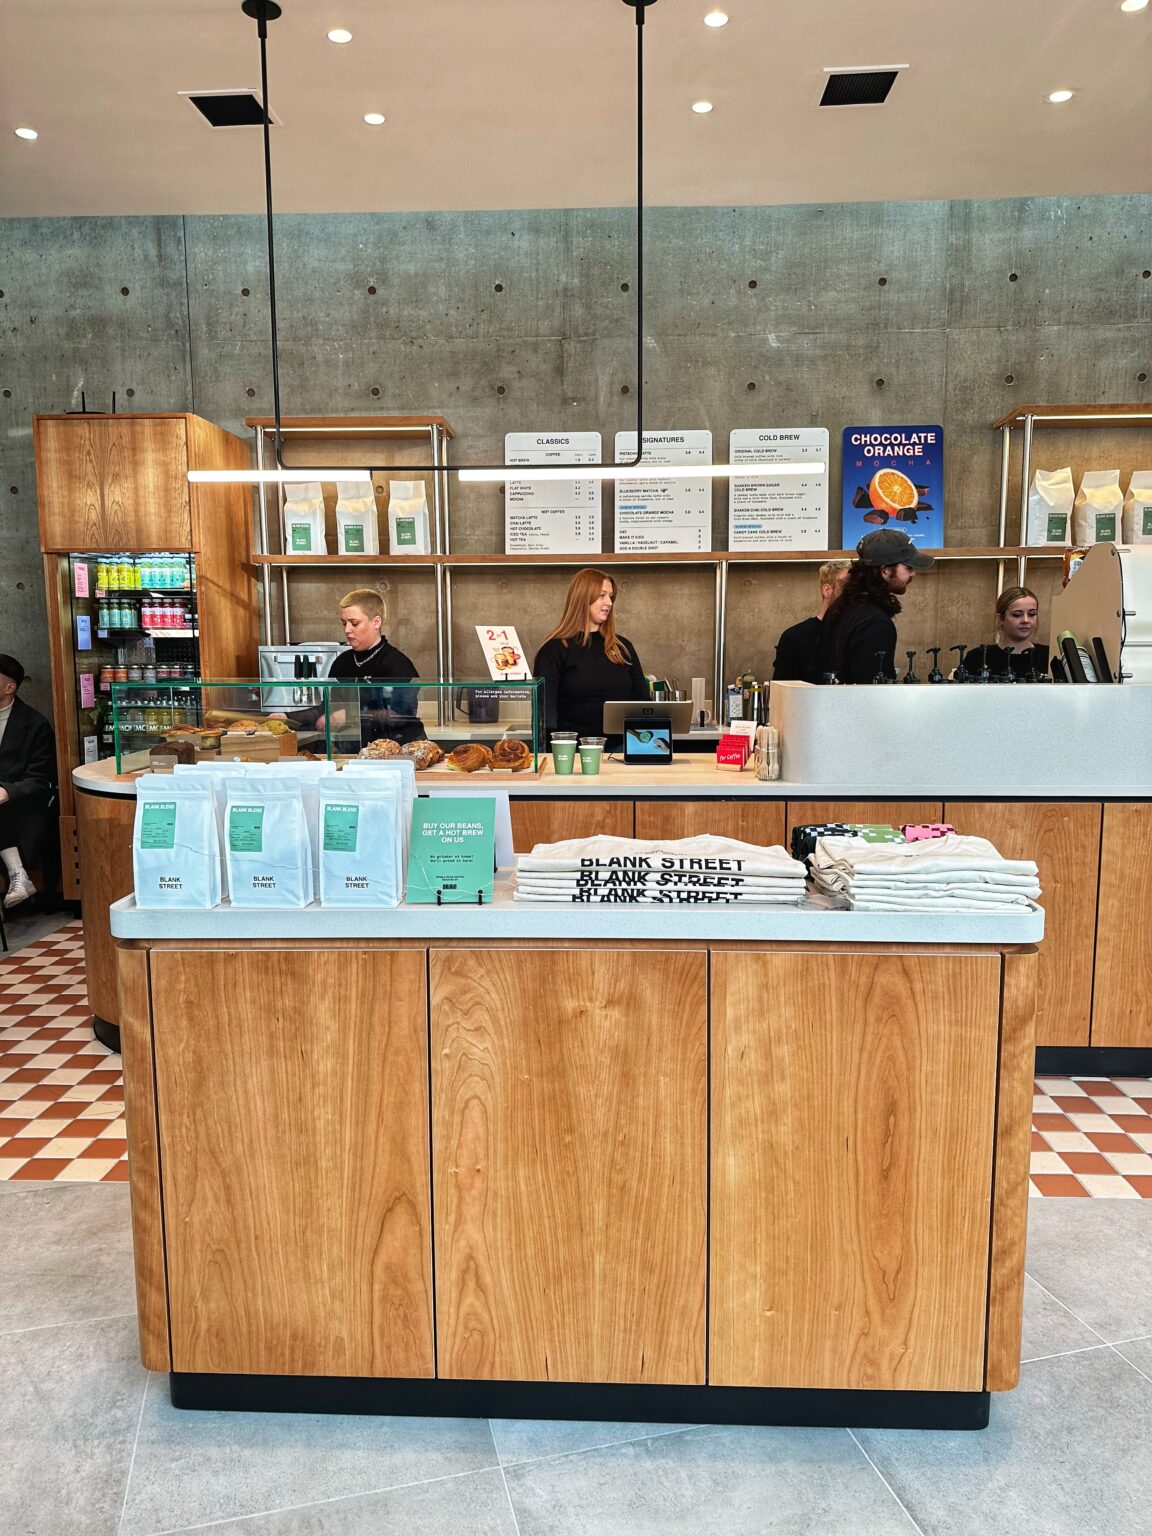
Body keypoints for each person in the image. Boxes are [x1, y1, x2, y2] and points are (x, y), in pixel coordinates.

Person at [288, 589, 425, 747]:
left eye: (354, 623)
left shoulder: (398, 664)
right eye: (344, 623)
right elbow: (328, 708)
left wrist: (350, 716)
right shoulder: (342, 663)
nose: (347, 630)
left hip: (399, 749)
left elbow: (401, 716)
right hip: (357, 749)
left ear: (376, 622)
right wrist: (288, 717)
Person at [532, 568, 648, 740]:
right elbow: (545, 715)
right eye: (602, 595)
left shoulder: (622, 648)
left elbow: (643, 704)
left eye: (611, 596)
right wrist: (555, 751)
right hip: (572, 751)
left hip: (620, 749)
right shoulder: (554, 650)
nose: (609, 602)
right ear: (583, 598)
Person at [813, 529, 934, 684]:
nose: (913, 574)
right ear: (885, 571)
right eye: (908, 568)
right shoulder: (875, 622)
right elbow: (873, 688)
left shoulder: (840, 606)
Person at [0, 654, 57, 909]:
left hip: (21, 803)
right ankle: (18, 874)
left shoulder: (35, 725)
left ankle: (17, 873)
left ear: (10, 687)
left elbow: (39, 780)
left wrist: (7, 792)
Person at [772, 559, 851, 682]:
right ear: (827, 590)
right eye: (846, 585)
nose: (852, 593)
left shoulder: (859, 635)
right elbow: (784, 690)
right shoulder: (794, 638)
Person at [965, 587, 1050, 680]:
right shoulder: (978, 657)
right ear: (1000, 619)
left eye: (1032, 614)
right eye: (1017, 615)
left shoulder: (1049, 656)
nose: (1026, 620)